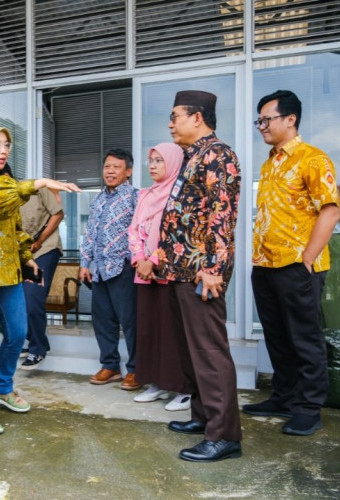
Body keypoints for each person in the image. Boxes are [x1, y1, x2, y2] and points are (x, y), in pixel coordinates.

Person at [0, 124, 80, 435]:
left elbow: (13, 229)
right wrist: (34, 184)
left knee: (18, 332)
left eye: (7, 145)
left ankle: (1, 386)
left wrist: (28, 258)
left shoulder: (7, 182)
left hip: (8, 269)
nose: (2, 150)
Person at [245, 90, 340, 436]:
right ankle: (283, 396)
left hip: (297, 266)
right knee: (277, 336)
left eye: (266, 119)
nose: (261, 126)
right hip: (265, 265)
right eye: (259, 120)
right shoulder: (270, 163)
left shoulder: (313, 159)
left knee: (304, 337)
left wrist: (307, 260)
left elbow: (330, 210)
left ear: (290, 119)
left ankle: (308, 407)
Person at [157, 90, 241, 462]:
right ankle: (204, 417)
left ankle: (224, 436)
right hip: (181, 271)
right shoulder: (193, 157)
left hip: (202, 272)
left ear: (198, 118)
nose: (171, 123)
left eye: (176, 116)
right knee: (191, 352)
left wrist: (212, 269)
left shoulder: (218, 156)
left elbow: (221, 216)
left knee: (209, 352)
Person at [128, 143, 192, 411]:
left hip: (170, 273)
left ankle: (183, 389)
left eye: (159, 161)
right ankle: (156, 382)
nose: (153, 166)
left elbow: (177, 235)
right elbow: (134, 230)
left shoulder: (180, 194)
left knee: (172, 333)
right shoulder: (145, 195)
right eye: (150, 161)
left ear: (174, 163)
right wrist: (139, 259)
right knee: (149, 330)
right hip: (144, 273)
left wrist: (153, 260)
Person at [79, 149, 141, 391]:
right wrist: (85, 263)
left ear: (129, 171)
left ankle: (136, 369)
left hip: (124, 268)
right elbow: (90, 234)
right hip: (100, 270)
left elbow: (141, 233)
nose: (110, 171)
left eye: (116, 167)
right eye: (107, 167)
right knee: (103, 321)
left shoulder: (136, 198)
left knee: (130, 321)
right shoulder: (98, 199)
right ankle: (111, 366)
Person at [19, 185, 64, 370]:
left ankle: (37, 349)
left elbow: (58, 214)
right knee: (19, 300)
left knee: (32, 296)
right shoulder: (1, 200)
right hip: (23, 254)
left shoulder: (37, 190)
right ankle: (39, 341)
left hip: (45, 249)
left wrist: (39, 241)